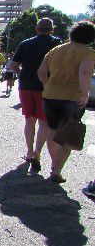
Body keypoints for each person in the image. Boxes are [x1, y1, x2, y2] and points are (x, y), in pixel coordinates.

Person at [37, 21, 95, 184]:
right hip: (72, 97)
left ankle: (54, 164)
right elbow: (84, 74)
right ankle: (56, 169)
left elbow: (41, 72)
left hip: (50, 95)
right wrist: (84, 95)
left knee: (53, 130)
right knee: (68, 134)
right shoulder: (88, 53)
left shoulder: (56, 50)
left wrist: (47, 85)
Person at [11, 18, 61, 174]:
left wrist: (22, 75)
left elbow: (13, 65)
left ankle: (29, 151)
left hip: (26, 86)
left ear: (36, 29)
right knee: (44, 123)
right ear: (52, 29)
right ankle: (37, 154)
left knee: (29, 121)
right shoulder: (56, 43)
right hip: (46, 87)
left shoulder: (25, 43)